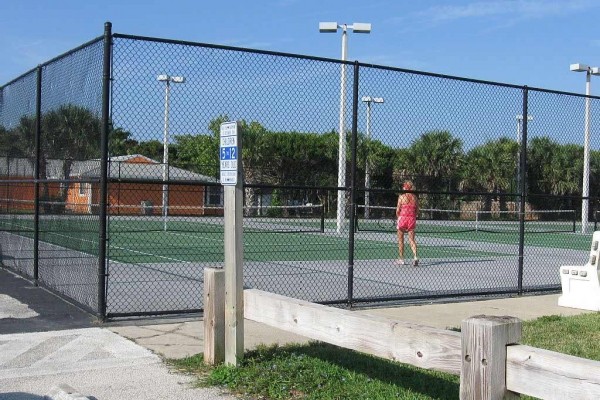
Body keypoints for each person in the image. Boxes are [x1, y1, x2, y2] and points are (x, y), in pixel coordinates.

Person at [396, 180, 419, 266]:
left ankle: (401, 259)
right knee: (412, 239)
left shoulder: (401, 197)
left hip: (403, 218)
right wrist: (413, 215)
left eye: (404, 186)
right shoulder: (415, 198)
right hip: (412, 219)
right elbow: (417, 211)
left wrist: (399, 217)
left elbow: (398, 210)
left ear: (406, 188)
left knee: (400, 240)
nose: (402, 187)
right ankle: (415, 257)